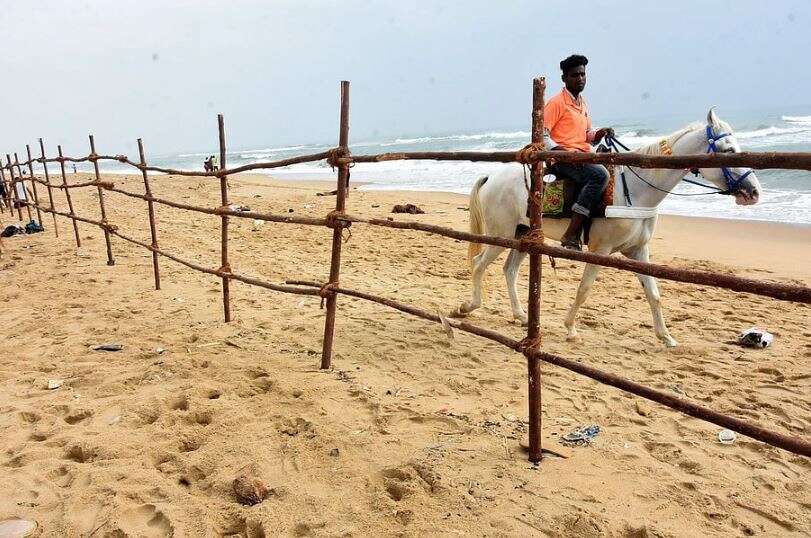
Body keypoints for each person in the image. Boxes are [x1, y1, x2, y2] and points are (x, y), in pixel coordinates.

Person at [544, 54, 615, 250]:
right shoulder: (556, 103)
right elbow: (542, 135)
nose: (580, 79)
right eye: (575, 75)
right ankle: (571, 233)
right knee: (600, 175)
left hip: (581, 155)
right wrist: (562, 152)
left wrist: (600, 133)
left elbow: (585, 135)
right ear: (564, 78)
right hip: (564, 159)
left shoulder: (582, 103)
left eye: (583, 74)